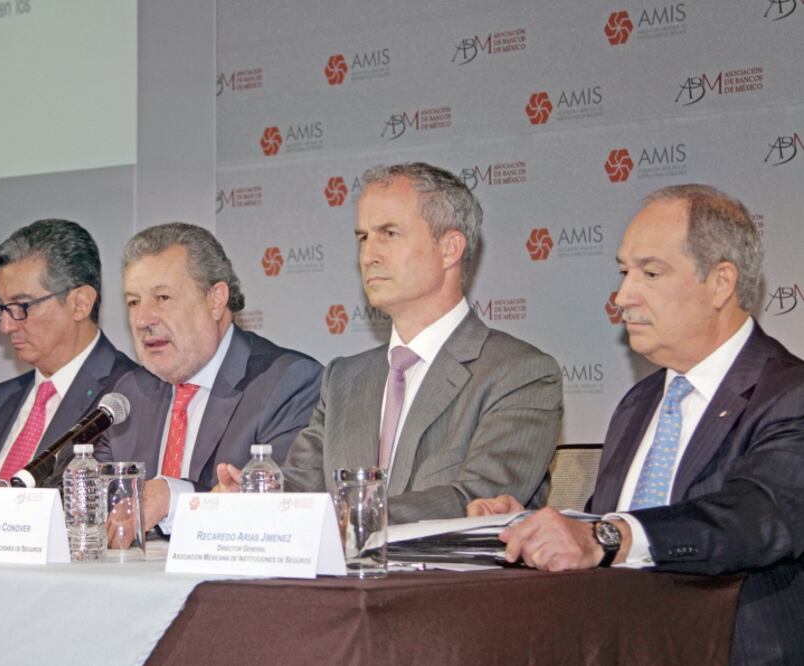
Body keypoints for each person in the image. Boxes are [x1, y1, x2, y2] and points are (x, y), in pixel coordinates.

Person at [469, 184, 804, 664]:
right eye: (624, 272)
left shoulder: (789, 395)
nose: (623, 296)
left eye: (650, 272)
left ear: (720, 283)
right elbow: (602, 533)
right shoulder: (639, 403)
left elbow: (753, 517)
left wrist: (605, 537)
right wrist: (528, 531)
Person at [217, 163, 563, 523]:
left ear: (449, 248)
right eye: (363, 237)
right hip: (344, 577)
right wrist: (255, 496)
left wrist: (353, 514)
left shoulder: (520, 373)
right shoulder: (343, 379)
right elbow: (302, 485)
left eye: (389, 233)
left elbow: (479, 500)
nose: (369, 255)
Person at [96, 222, 322, 532]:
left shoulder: (287, 383)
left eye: (162, 298)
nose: (143, 319)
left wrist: (174, 500)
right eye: (133, 302)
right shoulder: (129, 395)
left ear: (215, 299)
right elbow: (95, 504)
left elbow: (287, 510)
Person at [0, 219, 137, 486]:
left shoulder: (130, 396)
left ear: (80, 303)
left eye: (21, 306)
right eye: (2, 307)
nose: (6, 326)